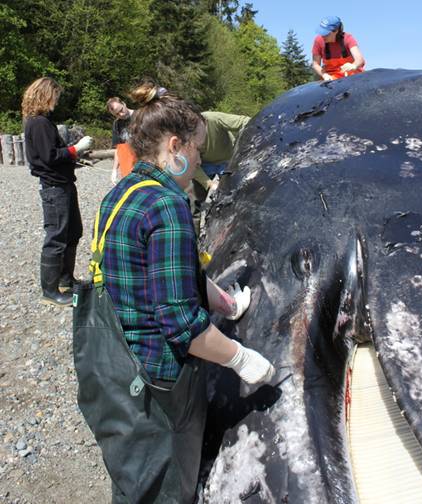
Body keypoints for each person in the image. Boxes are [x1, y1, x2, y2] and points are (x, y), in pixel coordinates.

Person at [92, 83, 275, 503]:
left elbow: (162, 272)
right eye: (195, 148)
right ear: (174, 144)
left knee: (137, 468)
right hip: (161, 372)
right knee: (171, 474)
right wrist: (241, 358)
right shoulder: (167, 205)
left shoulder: (122, 193)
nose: (197, 159)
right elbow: (179, 324)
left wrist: (227, 303)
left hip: (118, 359)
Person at [22, 77, 93, 306]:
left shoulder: (42, 122)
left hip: (63, 184)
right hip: (54, 187)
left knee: (73, 231)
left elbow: (54, 153)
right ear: (45, 95)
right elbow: (49, 156)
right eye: (55, 96)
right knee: (56, 237)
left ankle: (66, 280)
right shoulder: (38, 123)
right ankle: (50, 290)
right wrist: (75, 149)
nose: (57, 100)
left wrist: (74, 155)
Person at [312, 16, 365, 81]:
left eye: (326, 33)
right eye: (322, 32)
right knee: (317, 79)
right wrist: (324, 75)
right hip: (331, 78)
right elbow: (315, 64)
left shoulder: (348, 38)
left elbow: (360, 59)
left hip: (352, 76)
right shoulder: (318, 40)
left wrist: (353, 65)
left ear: (336, 31)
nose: (323, 36)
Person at [106, 97, 136, 184]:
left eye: (121, 110)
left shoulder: (141, 116)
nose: (121, 114)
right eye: (117, 114)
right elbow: (118, 148)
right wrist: (114, 169)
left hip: (145, 166)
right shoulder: (117, 124)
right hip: (127, 168)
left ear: (124, 104)